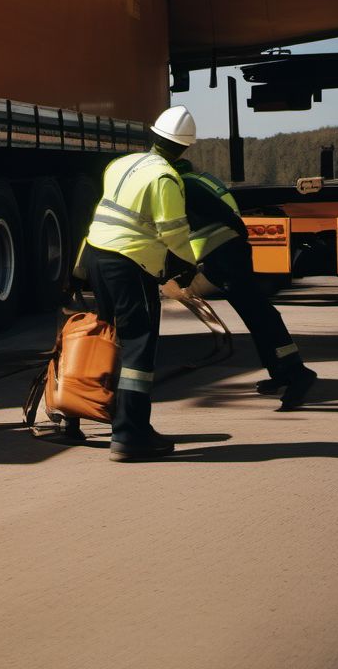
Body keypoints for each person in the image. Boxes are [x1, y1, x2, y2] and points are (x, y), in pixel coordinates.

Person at [81, 105, 198, 462]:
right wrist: (191, 265)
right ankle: (131, 434)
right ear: (184, 149)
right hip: (131, 264)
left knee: (107, 339)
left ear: (154, 135)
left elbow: (103, 215)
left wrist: (77, 269)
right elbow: (175, 234)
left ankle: (80, 412)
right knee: (137, 346)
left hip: (97, 256)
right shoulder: (165, 178)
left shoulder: (121, 164)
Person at [174, 159, 317, 410]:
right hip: (225, 253)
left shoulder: (186, 186)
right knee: (255, 315)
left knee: (260, 314)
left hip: (225, 254)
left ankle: (297, 372)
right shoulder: (201, 180)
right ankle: (280, 372)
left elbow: (205, 223)